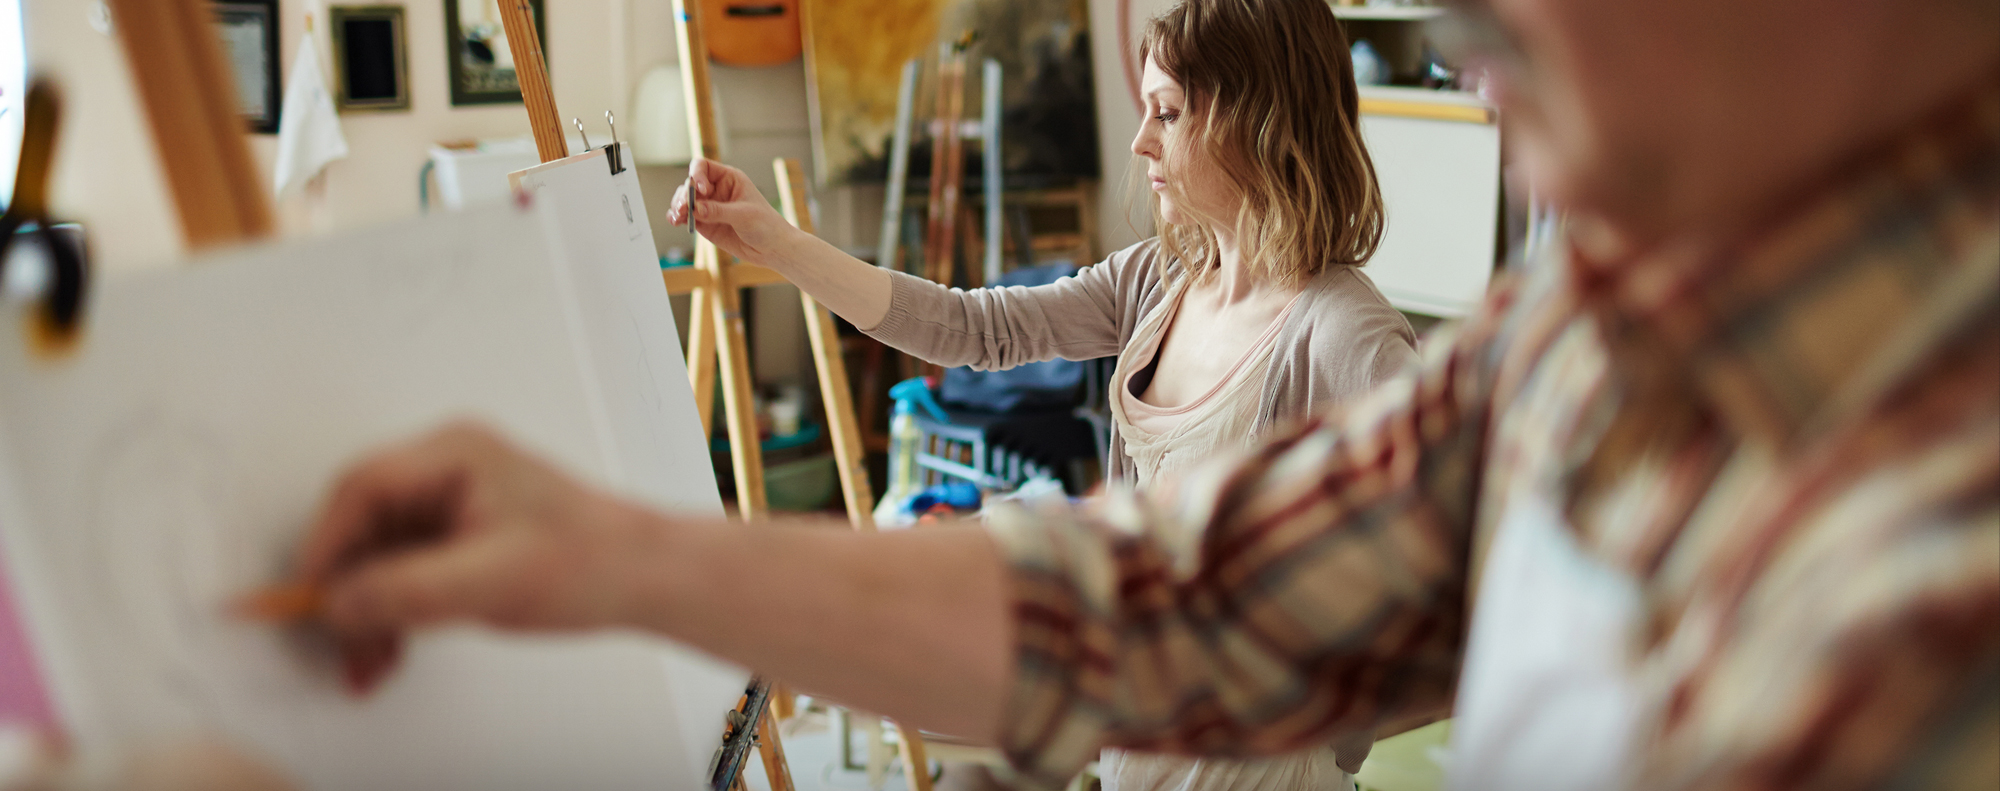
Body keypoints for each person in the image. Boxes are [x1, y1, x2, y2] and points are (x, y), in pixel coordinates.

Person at [279, 0, 2000, 788]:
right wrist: (623, 559)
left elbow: (1290, 665)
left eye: (1172, 107)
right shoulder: (1570, 342)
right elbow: (1167, 594)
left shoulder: (1919, 610)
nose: (1461, 27)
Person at [670, 0, 1414, 784]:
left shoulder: (1343, 335)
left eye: (1168, 112)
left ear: (1253, 120)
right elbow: (969, 328)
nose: (1140, 139)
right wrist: (777, 242)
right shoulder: (1158, 281)